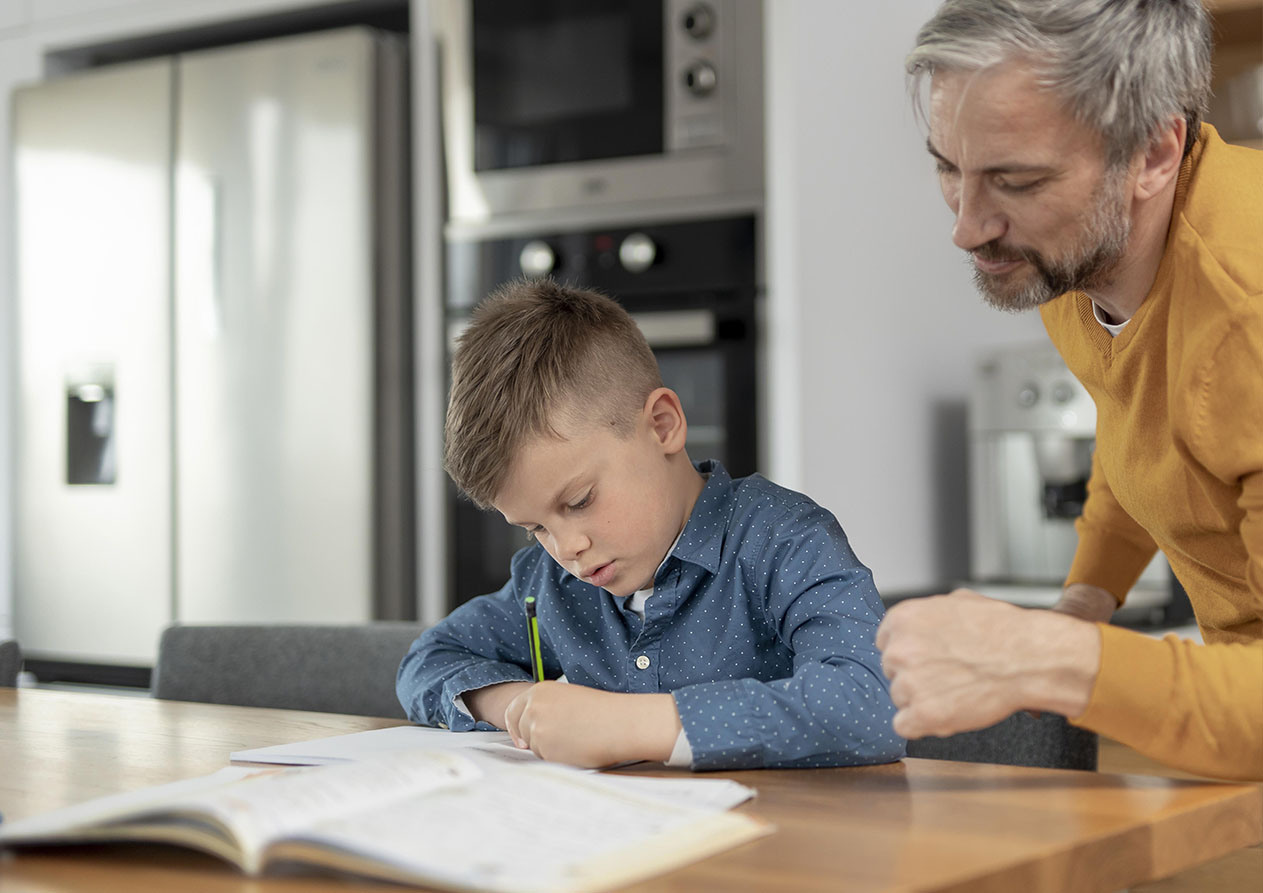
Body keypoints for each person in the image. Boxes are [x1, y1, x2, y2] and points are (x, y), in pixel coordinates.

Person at [877, 0, 1263, 780]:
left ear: (1153, 153)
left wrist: (1045, 657)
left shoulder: (1246, 319)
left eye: (1014, 180)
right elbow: (1141, 428)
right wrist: (1086, 597)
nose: (967, 225)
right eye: (948, 167)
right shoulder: (1075, 260)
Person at [397, 279, 904, 770]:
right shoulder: (549, 583)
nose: (567, 547)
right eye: (535, 528)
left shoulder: (784, 540)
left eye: (580, 500)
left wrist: (627, 725)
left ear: (663, 425)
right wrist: (519, 704)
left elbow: (872, 704)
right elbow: (428, 658)